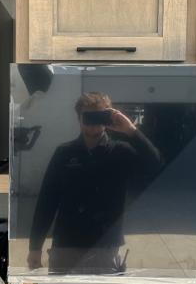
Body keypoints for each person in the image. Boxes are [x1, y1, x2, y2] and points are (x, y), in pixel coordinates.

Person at [27, 92, 161, 273]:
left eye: (99, 115)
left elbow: (155, 164)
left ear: (108, 117)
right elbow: (47, 200)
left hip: (105, 247)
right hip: (66, 245)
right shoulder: (64, 153)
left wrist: (131, 130)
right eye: (88, 116)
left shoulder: (121, 152)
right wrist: (35, 247)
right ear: (79, 118)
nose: (93, 122)